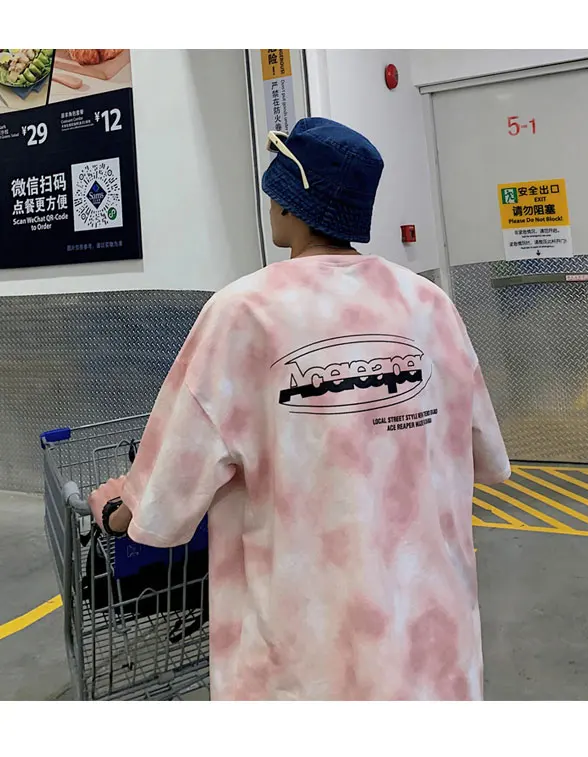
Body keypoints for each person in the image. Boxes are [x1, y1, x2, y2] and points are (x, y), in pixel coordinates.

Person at [89, 117, 511, 701]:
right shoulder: (429, 303)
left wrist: (119, 510)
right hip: (428, 638)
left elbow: (169, 489)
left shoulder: (244, 311)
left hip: (306, 653)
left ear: (290, 206)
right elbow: (484, 453)